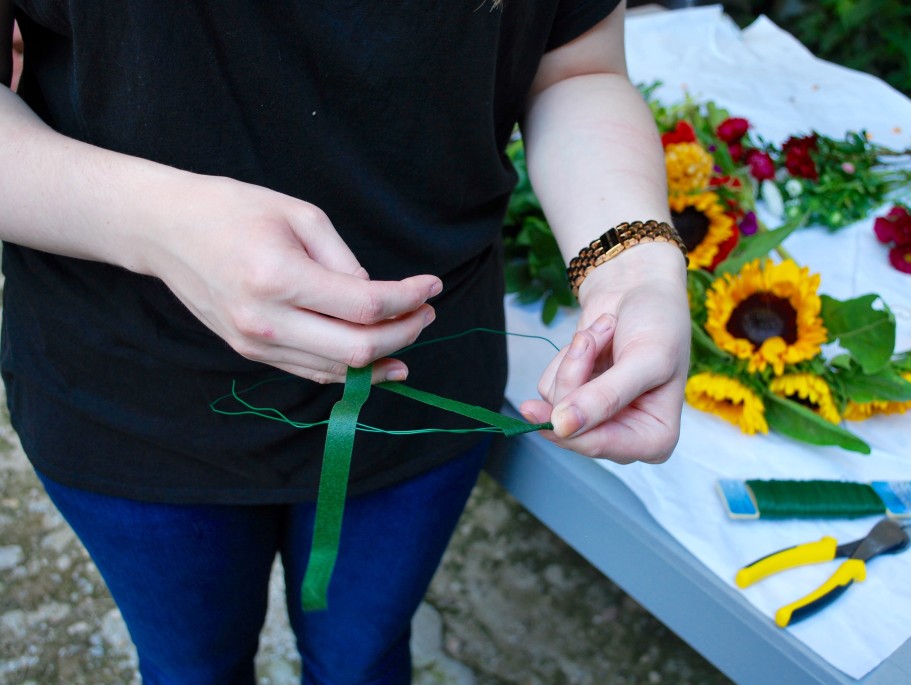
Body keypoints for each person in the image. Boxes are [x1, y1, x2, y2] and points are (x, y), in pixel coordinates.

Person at [0, 1, 690, 683]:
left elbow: (574, 67)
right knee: (190, 667)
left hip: (420, 388)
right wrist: (155, 225)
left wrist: (633, 265)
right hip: (125, 390)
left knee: (363, 660)